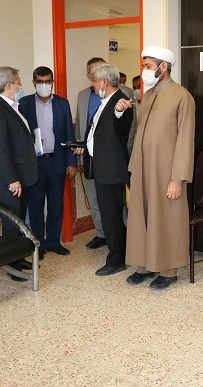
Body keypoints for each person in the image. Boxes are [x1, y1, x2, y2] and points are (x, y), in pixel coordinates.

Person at [117, 46, 195, 290]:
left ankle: (168, 270)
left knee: (166, 218)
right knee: (141, 217)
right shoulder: (148, 95)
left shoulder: (182, 96)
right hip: (143, 169)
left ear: (163, 67)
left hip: (167, 171)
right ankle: (144, 266)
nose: (145, 71)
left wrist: (177, 178)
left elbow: (185, 139)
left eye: (148, 66)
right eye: (144, 66)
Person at [74, 63, 133, 276]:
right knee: (110, 216)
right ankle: (120, 254)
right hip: (100, 167)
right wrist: (84, 146)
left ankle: (117, 260)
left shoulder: (120, 102)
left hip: (111, 170)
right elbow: (98, 134)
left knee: (112, 217)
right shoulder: (104, 102)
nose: (92, 85)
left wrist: (119, 112)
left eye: (94, 81)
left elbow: (122, 126)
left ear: (104, 82)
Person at [0, 66, 38, 282]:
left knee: (19, 221)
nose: (21, 85)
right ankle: (12, 265)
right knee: (10, 222)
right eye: (18, 82)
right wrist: (12, 179)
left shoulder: (13, 107)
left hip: (21, 175)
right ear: (9, 85)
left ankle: (18, 257)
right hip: (10, 179)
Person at [19, 66, 76, 260]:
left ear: (52, 82)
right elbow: (20, 134)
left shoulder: (62, 103)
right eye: (40, 82)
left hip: (57, 161)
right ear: (34, 82)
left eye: (48, 81)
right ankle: (39, 245)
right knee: (35, 206)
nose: (44, 85)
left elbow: (69, 133)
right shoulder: (24, 103)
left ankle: (53, 242)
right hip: (35, 164)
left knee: (56, 204)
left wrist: (71, 162)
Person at [75, 58, 107, 250]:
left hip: (112, 157)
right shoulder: (83, 96)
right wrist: (79, 157)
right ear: (88, 76)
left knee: (116, 199)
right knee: (94, 197)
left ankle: (123, 233)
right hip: (90, 156)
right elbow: (80, 126)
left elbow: (131, 132)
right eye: (96, 71)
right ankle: (101, 233)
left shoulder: (124, 93)